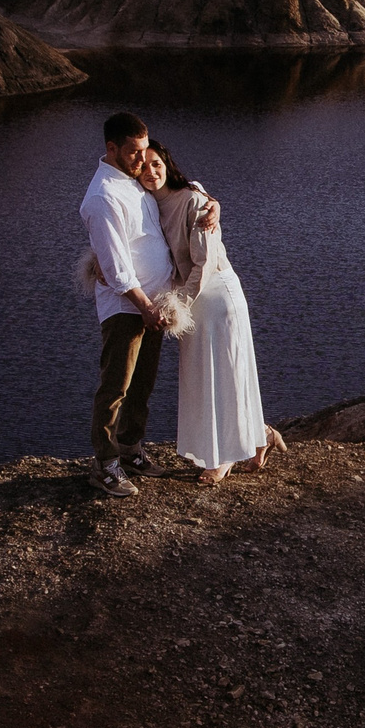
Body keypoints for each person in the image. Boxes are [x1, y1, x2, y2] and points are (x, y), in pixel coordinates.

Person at [76, 112, 215, 497]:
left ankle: (131, 450)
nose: (142, 159)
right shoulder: (103, 196)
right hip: (128, 308)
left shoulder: (132, 181)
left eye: (145, 150)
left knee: (143, 385)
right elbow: (117, 268)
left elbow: (182, 190)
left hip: (155, 302)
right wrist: (144, 306)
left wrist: (211, 202)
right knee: (115, 386)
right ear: (112, 149)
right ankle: (104, 465)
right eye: (135, 152)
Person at [139, 142, 283, 483]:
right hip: (192, 302)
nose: (150, 172)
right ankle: (260, 435)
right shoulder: (146, 202)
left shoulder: (192, 200)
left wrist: (180, 306)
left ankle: (223, 459)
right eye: (143, 166)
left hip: (216, 296)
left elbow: (204, 264)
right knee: (205, 377)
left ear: (167, 162)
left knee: (225, 373)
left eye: (156, 163)